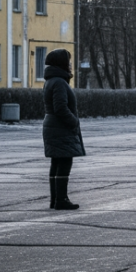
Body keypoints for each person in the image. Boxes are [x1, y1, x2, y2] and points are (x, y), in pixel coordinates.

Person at [42, 48, 84, 211]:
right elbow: (60, 107)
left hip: (53, 126)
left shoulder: (51, 80)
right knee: (64, 162)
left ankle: (56, 199)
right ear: (62, 64)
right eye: (69, 62)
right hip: (60, 128)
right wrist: (73, 122)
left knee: (57, 162)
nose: (71, 65)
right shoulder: (59, 82)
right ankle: (61, 199)